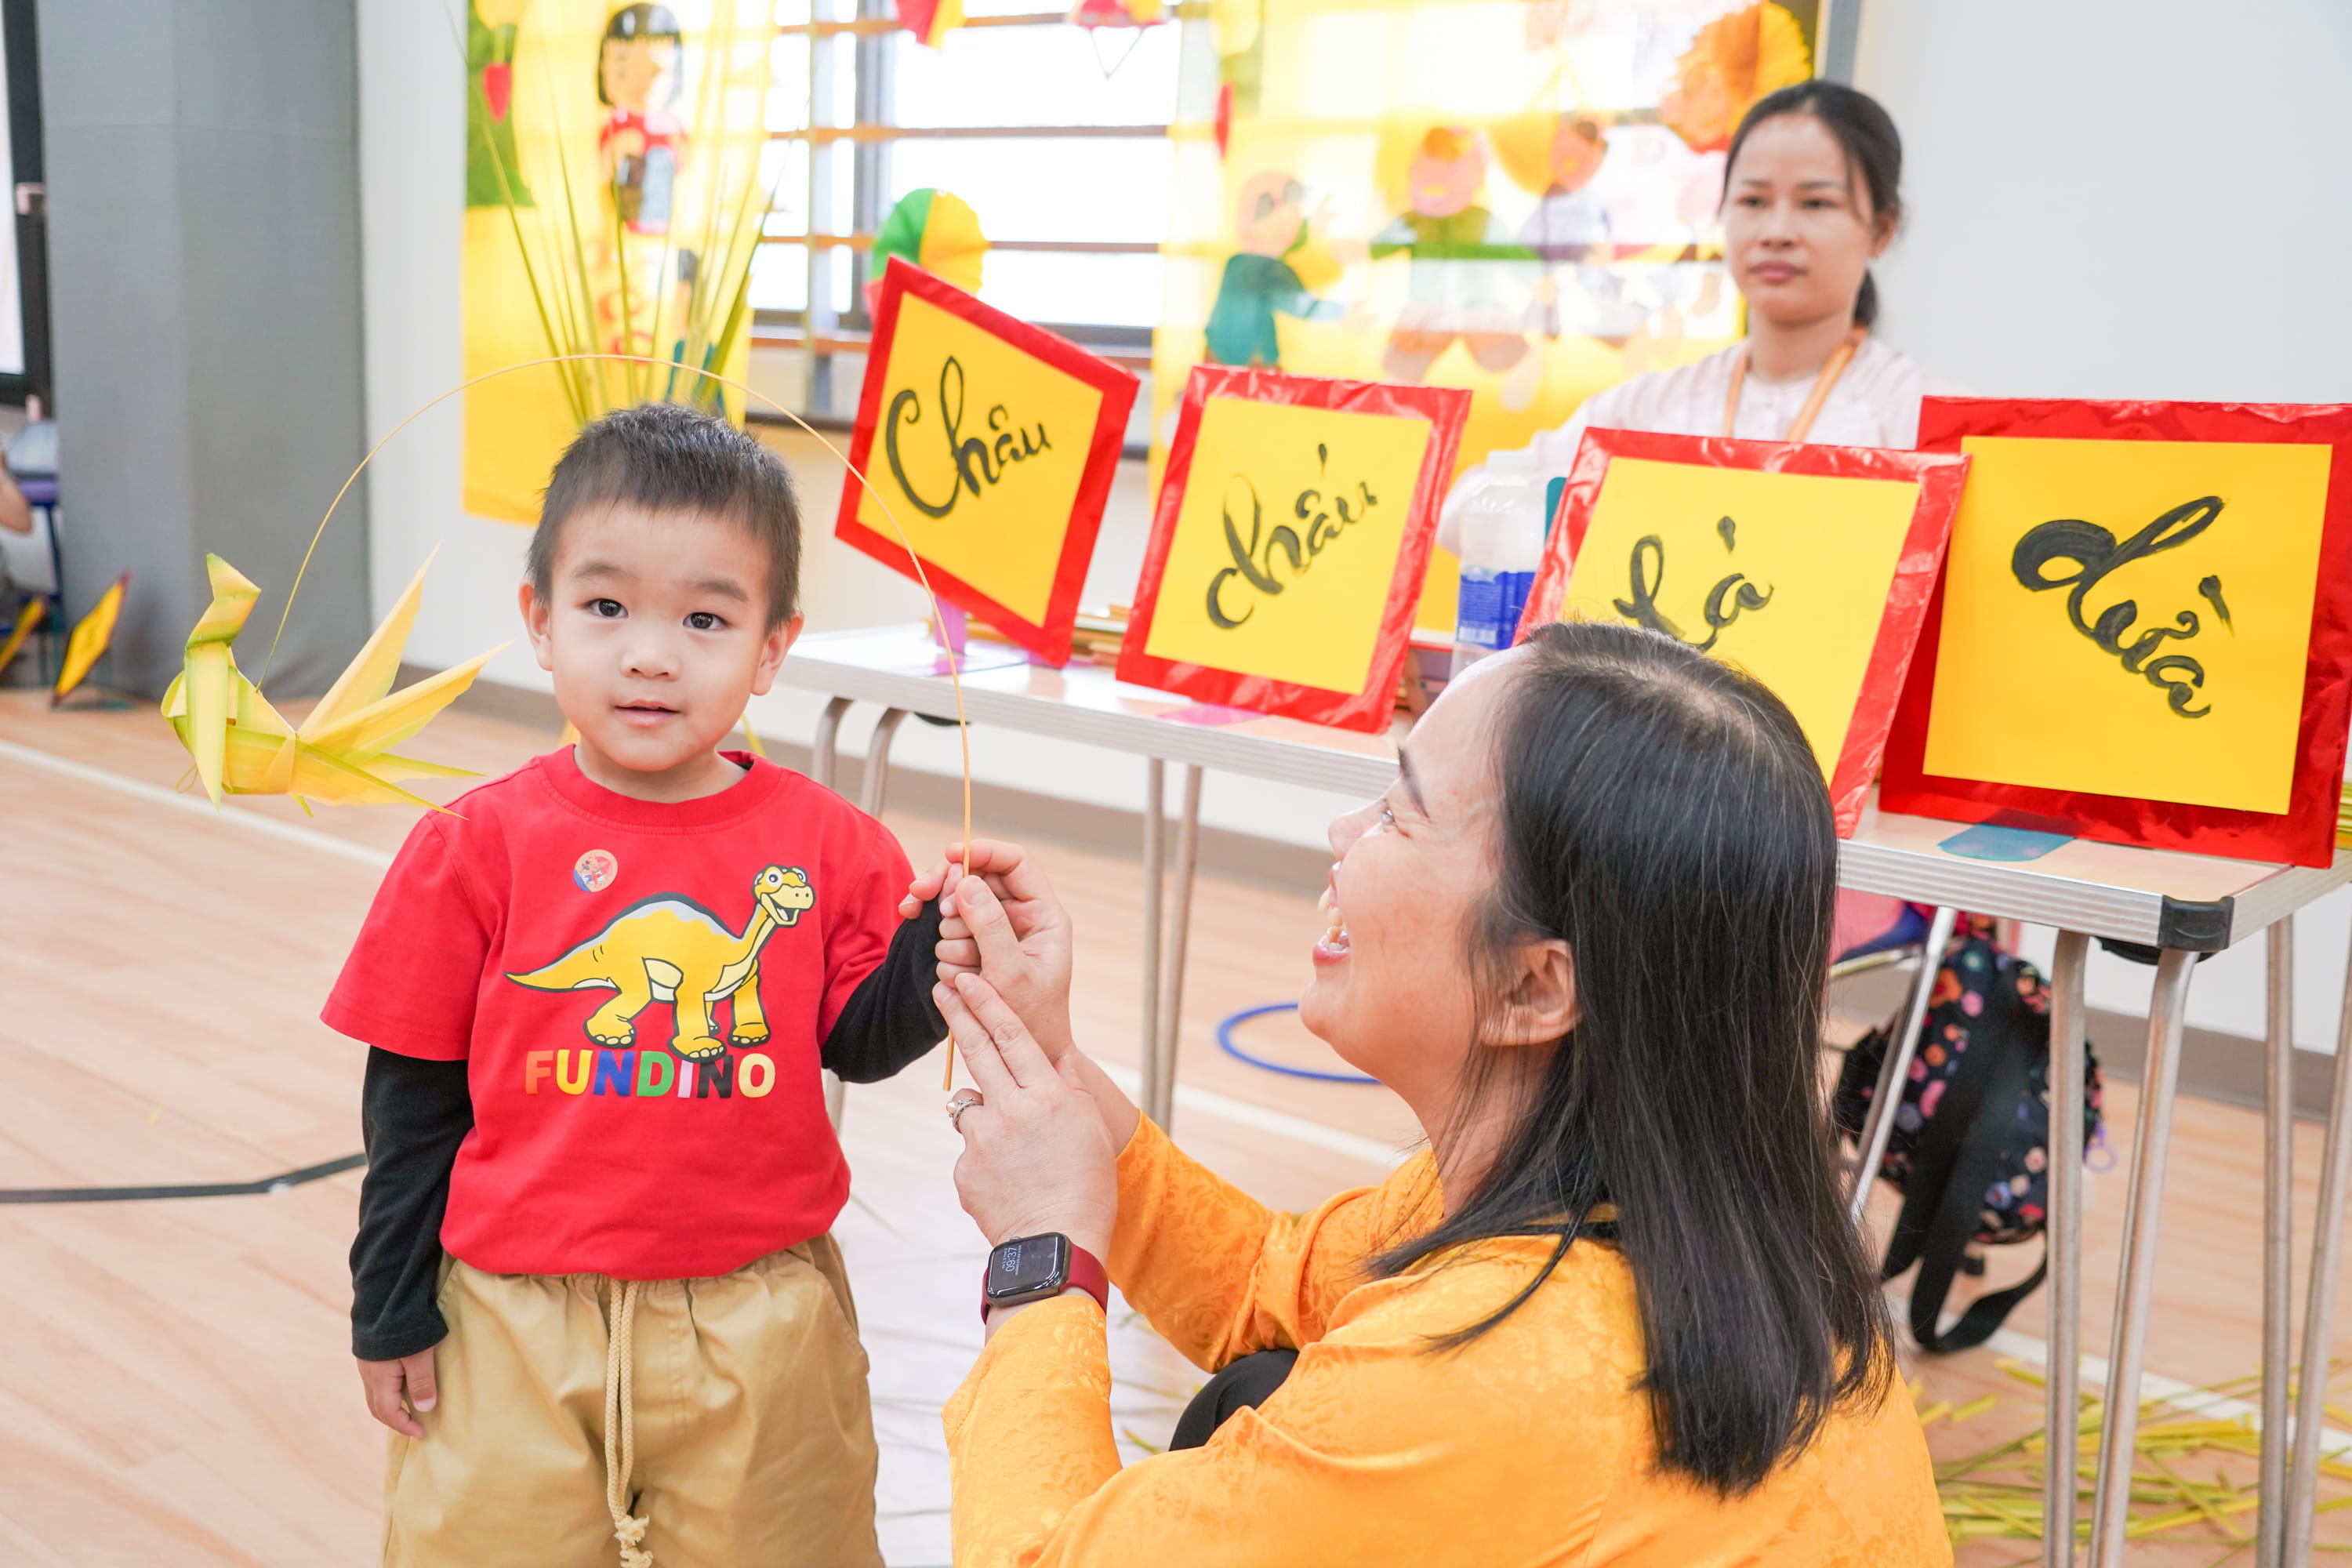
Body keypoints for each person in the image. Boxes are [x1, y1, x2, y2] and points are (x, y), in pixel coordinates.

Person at [915, 621, 1949, 1566]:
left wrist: (1041, 1259)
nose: (1342, 828)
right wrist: (1043, 1053)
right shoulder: (1679, 1216)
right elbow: (1262, 1287)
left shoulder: (1483, 1376)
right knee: (1260, 1391)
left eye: (1400, 816)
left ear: (1535, 986)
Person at [326, 403, 949, 1568]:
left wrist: (935, 952)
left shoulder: (835, 846)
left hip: (762, 1325)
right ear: (541, 622)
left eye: (706, 618)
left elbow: (858, 1039)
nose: (651, 653)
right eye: (606, 607)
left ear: (772, 647)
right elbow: (410, 1100)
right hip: (511, 1323)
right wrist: (389, 1301)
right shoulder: (469, 848)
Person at [1440, 80, 1959, 554]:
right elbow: (1459, 513)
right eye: (1753, 200)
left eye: (1816, 204)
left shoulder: (1925, 419)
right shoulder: (1650, 408)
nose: (1777, 231)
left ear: (1882, 229)